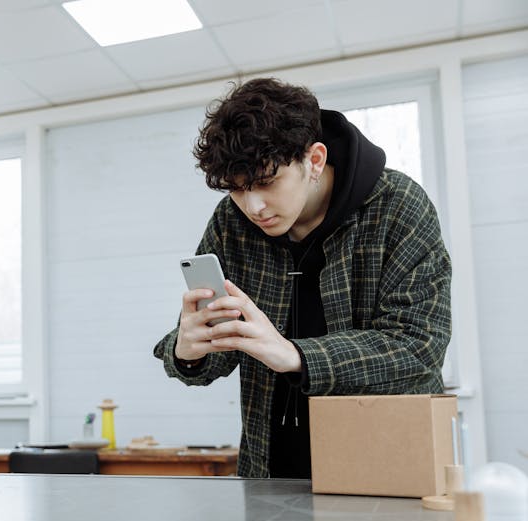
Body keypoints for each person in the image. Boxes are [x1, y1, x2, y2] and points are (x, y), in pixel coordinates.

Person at [153, 78, 452, 479]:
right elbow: (221, 351)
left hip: (386, 455)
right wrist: (188, 351)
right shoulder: (231, 222)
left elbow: (419, 346)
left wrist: (296, 355)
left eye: (266, 183)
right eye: (237, 191)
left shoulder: (397, 206)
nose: (253, 206)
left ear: (313, 160)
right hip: (270, 465)